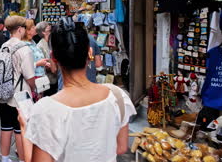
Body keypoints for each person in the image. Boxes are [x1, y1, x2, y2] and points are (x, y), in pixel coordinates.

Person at [18, 17, 136, 162]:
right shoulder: (117, 96)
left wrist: (24, 127)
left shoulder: (45, 110)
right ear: (89, 52)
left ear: (53, 57)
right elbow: (121, 147)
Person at [0, 16, 36, 162]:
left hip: (4, 92)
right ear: (20, 29)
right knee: (21, 130)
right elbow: (29, 76)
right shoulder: (24, 49)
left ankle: (5, 158)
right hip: (20, 95)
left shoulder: (4, 46)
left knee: (5, 128)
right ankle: (22, 159)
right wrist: (35, 88)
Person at [35, 22, 58, 96]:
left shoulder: (53, 41)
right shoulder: (40, 46)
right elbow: (42, 65)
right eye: (47, 26)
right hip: (48, 81)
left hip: (57, 78)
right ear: (43, 32)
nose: (50, 27)